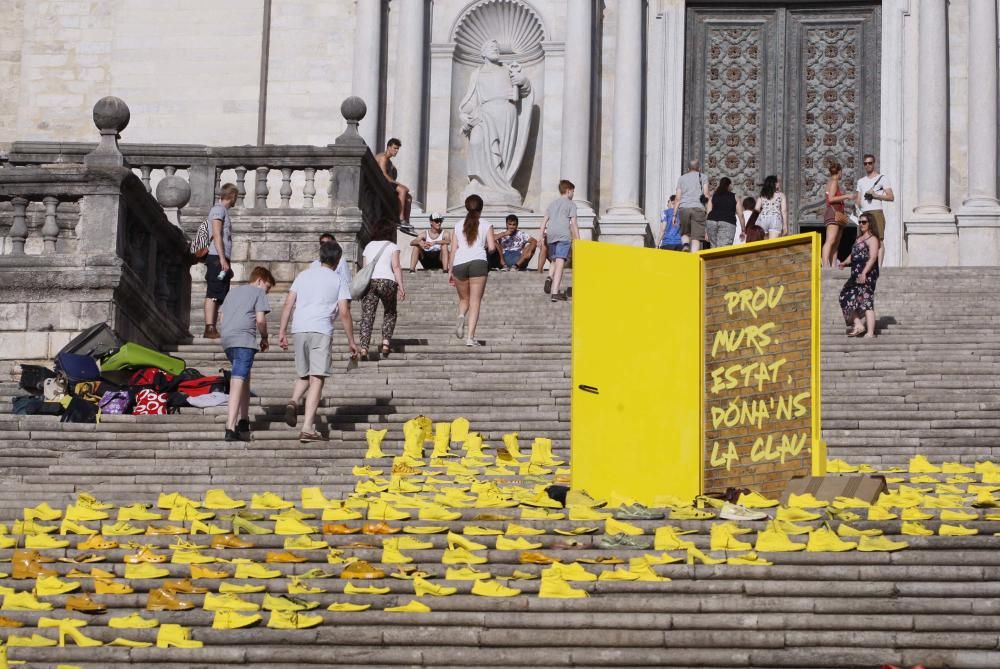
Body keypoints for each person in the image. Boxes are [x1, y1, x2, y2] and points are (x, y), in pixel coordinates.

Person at [278, 242, 358, 443]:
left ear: (320, 256)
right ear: (338, 259)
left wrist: (282, 331)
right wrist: (351, 340)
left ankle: (293, 401)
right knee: (317, 378)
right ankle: (307, 427)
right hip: (320, 329)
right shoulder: (338, 280)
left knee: (304, 374)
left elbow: (289, 303)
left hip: (299, 327)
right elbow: (344, 312)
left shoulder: (303, 275)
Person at [458, 39, 533, 205]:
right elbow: (471, 99)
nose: (495, 49)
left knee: (502, 150)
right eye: (491, 47)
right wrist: (464, 114)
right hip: (485, 112)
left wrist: (523, 82)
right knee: (477, 141)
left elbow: (525, 90)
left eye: (497, 47)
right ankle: (477, 180)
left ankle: (502, 183)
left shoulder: (507, 70)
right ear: (483, 53)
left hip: (506, 112)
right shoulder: (477, 73)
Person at [218, 266, 274, 442]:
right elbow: (260, 320)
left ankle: (243, 419)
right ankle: (230, 426)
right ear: (260, 280)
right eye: (268, 287)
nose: (268, 292)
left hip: (228, 340)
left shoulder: (232, 293)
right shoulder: (258, 293)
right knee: (237, 380)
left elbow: (221, 317)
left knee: (244, 376)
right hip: (244, 340)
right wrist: (264, 337)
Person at [448, 194, 497, 347]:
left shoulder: (457, 225)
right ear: (481, 208)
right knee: (475, 302)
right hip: (478, 261)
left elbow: (453, 249)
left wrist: (450, 271)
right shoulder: (486, 224)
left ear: (466, 207)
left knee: (464, 299)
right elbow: (492, 247)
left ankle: (461, 315)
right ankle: (470, 338)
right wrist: (487, 249)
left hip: (459, 263)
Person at [358, 222, 406, 358]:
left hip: (371, 281)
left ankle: (364, 348)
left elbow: (365, 268)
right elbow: (396, 267)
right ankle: (385, 343)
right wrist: (401, 286)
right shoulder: (392, 246)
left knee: (367, 315)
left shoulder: (368, 246)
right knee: (390, 311)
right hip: (388, 281)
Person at [203, 183, 239, 339]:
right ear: (231, 196)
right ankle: (209, 327)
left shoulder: (223, 211)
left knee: (219, 293)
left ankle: (213, 327)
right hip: (217, 258)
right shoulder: (218, 210)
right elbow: (217, 235)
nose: (235, 200)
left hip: (221, 258)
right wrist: (222, 258)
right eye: (235, 197)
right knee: (213, 292)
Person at [838, 214, 880, 338]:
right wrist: (845, 262)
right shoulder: (859, 239)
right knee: (844, 296)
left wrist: (864, 273)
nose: (861, 224)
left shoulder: (873, 239)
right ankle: (858, 324)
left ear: (870, 223)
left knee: (866, 302)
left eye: (864, 222)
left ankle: (870, 332)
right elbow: (853, 254)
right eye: (860, 222)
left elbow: (872, 258)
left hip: (867, 273)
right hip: (855, 273)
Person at [540, 180, 579, 301]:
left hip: (551, 234)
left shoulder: (552, 204)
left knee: (554, 259)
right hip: (563, 234)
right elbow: (573, 223)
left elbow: (544, 222)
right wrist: (578, 239)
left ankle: (549, 277)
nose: (573, 194)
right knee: (561, 261)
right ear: (568, 191)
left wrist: (540, 236)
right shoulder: (571, 204)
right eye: (573, 191)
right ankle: (555, 292)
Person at [856, 153, 893, 267]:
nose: (868, 165)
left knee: (879, 239)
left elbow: (891, 197)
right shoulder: (860, 181)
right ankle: (865, 265)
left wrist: (875, 195)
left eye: (870, 163)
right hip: (864, 213)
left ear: (874, 164)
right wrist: (857, 210)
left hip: (876, 211)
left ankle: (879, 266)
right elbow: (858, 199)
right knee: (862, 239)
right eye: (865, 163)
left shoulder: (882, 178)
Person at [672, 159, 710, 252]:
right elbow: (706, 195)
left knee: (685, 232)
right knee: (696, 236)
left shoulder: (682, 178)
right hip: (698, 208)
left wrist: (674, 214)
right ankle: (693, 256)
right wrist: (708, 210)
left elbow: (677, 198)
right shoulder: (703, 177)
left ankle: (685, 245)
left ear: (688, 168)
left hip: (684, 208)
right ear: (699, 168)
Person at [375, 138, 412, 228]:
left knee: (409, 198)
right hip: (379, 184)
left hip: (385, 185)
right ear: (388, 147)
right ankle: (401, 219)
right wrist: (399, 184)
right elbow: (383, 175)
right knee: (403, 190)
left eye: (397, 149)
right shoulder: (383, 157)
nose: (396, 151)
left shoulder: (389, 161)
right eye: (395, 148)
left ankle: (406, 222)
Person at [822, 162, 853, 268]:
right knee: (830, 240)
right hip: (833, 213)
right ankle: (825, 264)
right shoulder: (834, 181)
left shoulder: (831, 181)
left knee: (835, 242)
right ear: (839, 171)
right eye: (841, 172)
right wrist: (846, 196)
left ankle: (834, 263)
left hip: (838, 213)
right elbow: (831, 199)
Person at [705, 177, 742, 249]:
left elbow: (708, 212)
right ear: (729, 185)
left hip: (711, 222)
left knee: (713, 247)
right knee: (724, 248)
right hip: (727, 222)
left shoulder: (713, 196)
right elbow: (741, 214)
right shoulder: (734, 196)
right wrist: (743, 229)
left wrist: (706, 230)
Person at [755, 175, 788, 239]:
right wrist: (785, 226)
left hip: (762, 218)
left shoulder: (762, 195)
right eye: (777, 182)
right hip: (775, 219)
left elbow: (756, 209)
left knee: (762, 244)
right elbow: (784, 211)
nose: (779, 183)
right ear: (774, 183)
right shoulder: (781, 195)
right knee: (772, 244)